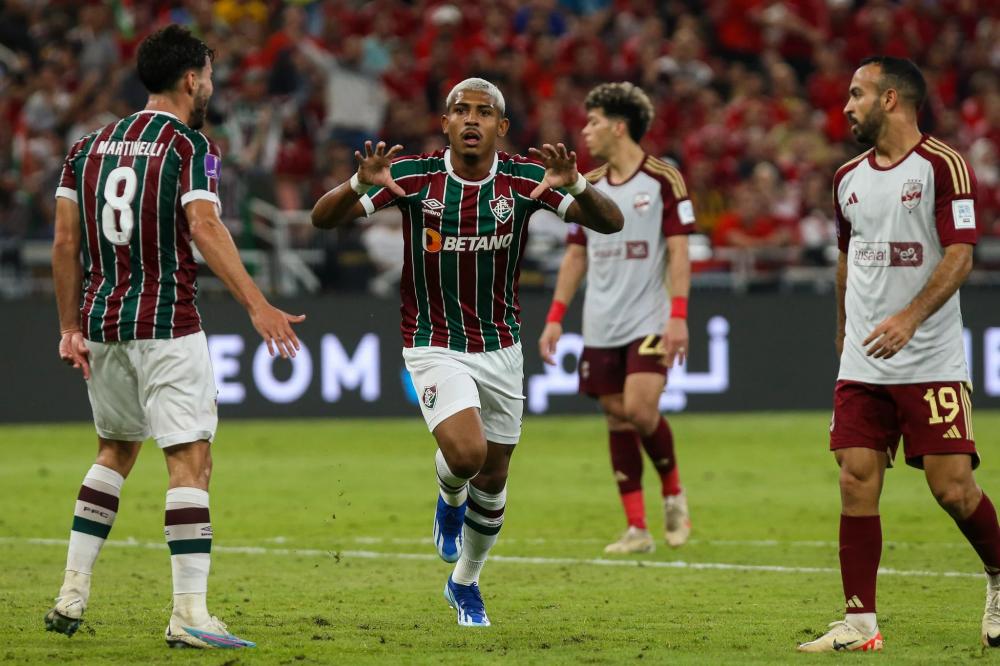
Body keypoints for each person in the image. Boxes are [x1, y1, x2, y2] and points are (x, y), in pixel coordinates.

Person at [311, 77, 623, 627]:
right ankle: (448, 496)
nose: (472, 119)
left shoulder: (526, 182)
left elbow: (610, 223)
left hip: (502, 347)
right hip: (433, 342)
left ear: (502, 128)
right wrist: (354, 184)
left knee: (496, 476)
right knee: (466, 455)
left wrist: (575, 187)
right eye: (462, 110)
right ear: (446, 123)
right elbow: (322, 218)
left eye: (484, 112)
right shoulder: (414, 178)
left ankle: (465, 584)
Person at [47, 25, 304, 649]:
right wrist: (257, 303)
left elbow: (64, 242)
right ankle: (189, 612)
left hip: (104, 323)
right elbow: (205, 224)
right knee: (190, 459)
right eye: (209, 74)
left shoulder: (88, 146)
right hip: (166, 322)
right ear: (192, 79)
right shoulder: (191, 146)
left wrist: (68, 327)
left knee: (115, 450)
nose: (211, 85)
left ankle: (71, 592)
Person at [798, 56, 997, 653]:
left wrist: (910, 318)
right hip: (863, 363)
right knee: (856, 478)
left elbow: (961, 253)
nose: (847, 105)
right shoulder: (846, 178)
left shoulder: (945, 166)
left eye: (856, 94)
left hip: (929, 359)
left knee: (953, 489)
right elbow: (845, 258)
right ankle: (859, 625)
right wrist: (842, 332)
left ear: (890, 99)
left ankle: (999, 575)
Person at [538, 82, 695, 554]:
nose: (585, 131)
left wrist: (679, 314)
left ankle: (673, 495)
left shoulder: (664, 180)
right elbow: (576, 256)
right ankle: (637, 529)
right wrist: (555, 316)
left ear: (619, 126)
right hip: (600, 322)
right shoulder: (590, 186)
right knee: (615, 417)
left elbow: (679, 248)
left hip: (649, 317)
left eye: (593, 122)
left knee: (640, 409)